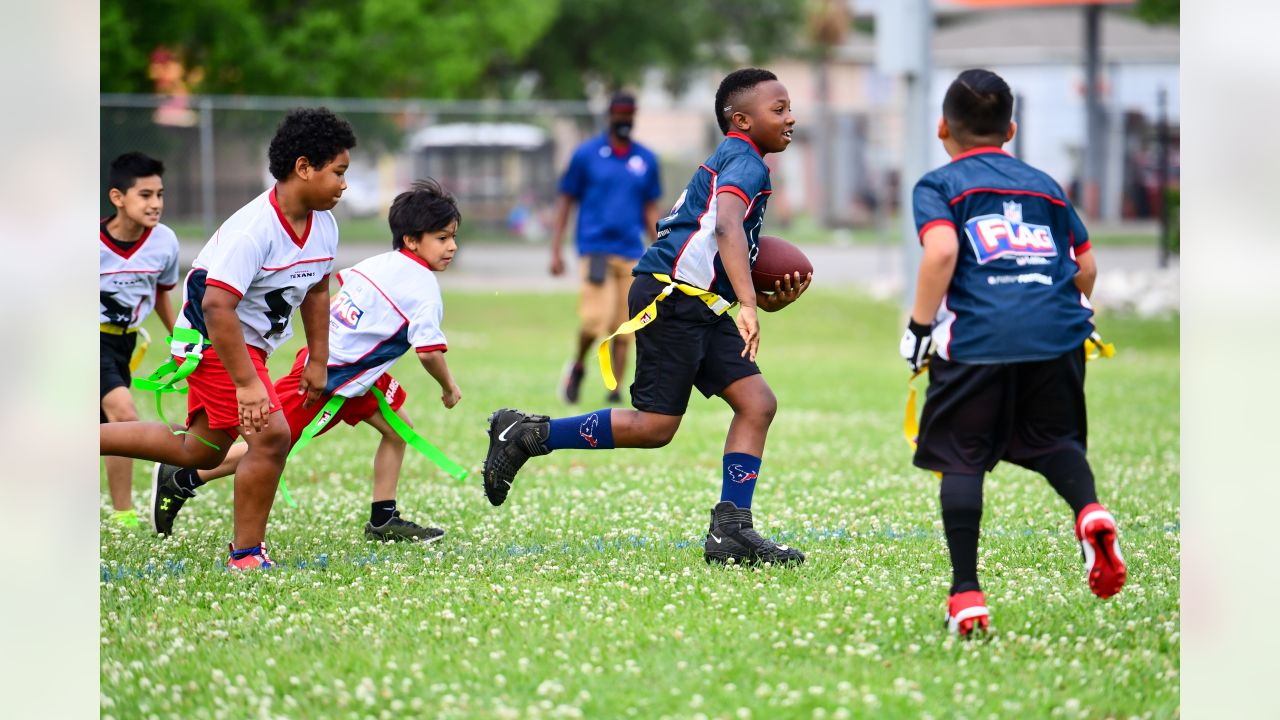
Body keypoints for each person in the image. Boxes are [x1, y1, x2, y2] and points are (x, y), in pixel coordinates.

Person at [483, 68, 811, 566]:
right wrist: (747, 303)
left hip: (698, 299)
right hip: (672, 297)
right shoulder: (746, 160)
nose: (791, 118)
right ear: (741, 120)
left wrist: (762, 299)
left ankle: (732, 531)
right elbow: (725, 226)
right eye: (779, 109)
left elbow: (717, 243)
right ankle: (527, 433)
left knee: (757, 403)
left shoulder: (740, 160)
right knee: (655, 427)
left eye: (789, 108)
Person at [901, 69, 1126, 637]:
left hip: (977, 340)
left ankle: (967, 597)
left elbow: (942, 252)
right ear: (1012, 129)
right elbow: (1087, 266)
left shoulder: (939, 184)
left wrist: (919, 327)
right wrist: (1069, 311)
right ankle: (1090, 513)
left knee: (961, 457)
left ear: (942, 128)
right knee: (1056, 441)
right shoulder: (1046, 185)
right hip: (1058, 336)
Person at [100, 107, 357, 569]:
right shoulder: (253, 230)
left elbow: (318, 289)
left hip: (244, 341)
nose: (344, 184)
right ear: (303, 168)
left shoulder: (324, 224)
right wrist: (248, 384)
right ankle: (246, 554)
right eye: (338, 172)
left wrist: (319, 357)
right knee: (271, 436)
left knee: (198, 450)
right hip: (212, 336)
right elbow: (218, 306)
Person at [149, 179, 464, 543]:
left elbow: (336, 295)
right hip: (330, 379)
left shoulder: (379, 263)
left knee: (397, 430)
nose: (452, 246)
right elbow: (428, 351)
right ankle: (183, 477)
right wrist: (448, 386)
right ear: (412, 240)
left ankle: (383, 518)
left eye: (453, 237)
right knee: (269, 444)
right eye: (442, 238)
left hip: (350, 372)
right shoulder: (424, 287)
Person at [550, 91, 663, 406]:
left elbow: (650, 209)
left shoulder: (645, 159)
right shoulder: (587, 155)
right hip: (596, 249)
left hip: (631, 252)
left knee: (625, 328)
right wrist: (556, 249)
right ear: (610, 116)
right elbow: (566, 201)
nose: (625, 120)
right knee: (594, 321)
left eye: (630, 115)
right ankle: (577, 366)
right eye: (620, 114)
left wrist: (664, 250)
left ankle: (614, 390)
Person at [100, 152, 180, 528]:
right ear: (118, 198)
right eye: (145, 195)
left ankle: (119, 511)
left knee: (107, 427)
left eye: (160, 195)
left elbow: (162, 293)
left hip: (125, 344)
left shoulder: (164, 242)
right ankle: (125, 513)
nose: (156, 204)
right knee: (123, 416)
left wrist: (181, 340)